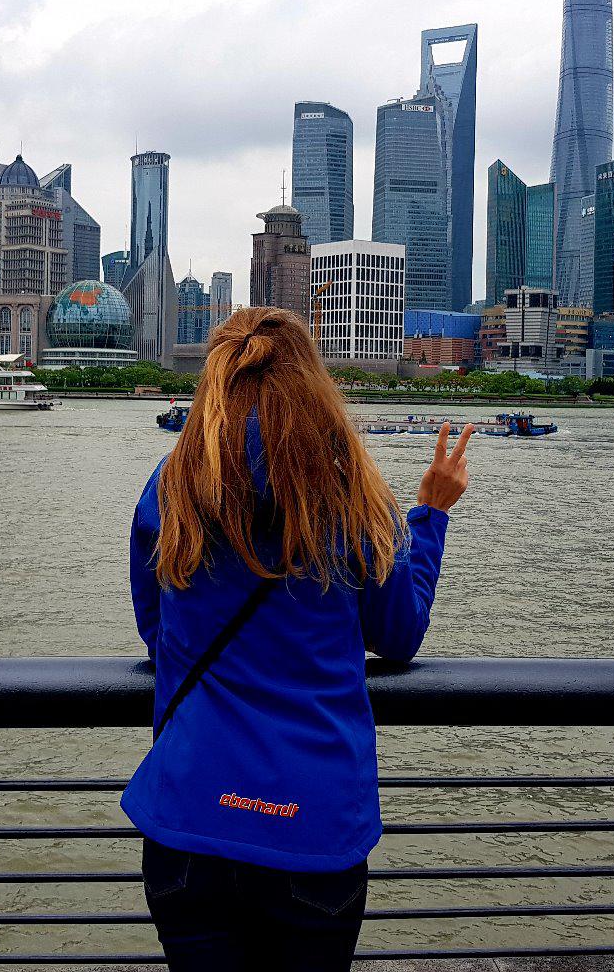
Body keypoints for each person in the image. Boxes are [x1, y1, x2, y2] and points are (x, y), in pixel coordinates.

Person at [121, 306, 473, 969]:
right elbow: (398, 634)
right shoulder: (350, 493)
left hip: (188, 818)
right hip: (313, 824)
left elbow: (155, 630)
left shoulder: (171, 487)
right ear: (314, 386)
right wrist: (430, 515)